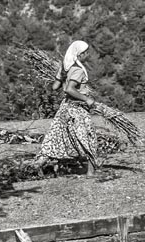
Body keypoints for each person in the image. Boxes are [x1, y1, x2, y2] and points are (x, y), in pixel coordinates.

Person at [34, 40, 98, 176]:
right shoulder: (78, 70)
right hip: (77, 109)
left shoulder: (65, 67)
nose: (87, 55)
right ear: (79, 55)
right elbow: (70, 89)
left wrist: (63, 78)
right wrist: (87, 99)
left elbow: (55, 87)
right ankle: (90, 173)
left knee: (55, 138)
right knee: (88, 137)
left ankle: (36, 166)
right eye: (85, 53)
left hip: (65, 108)